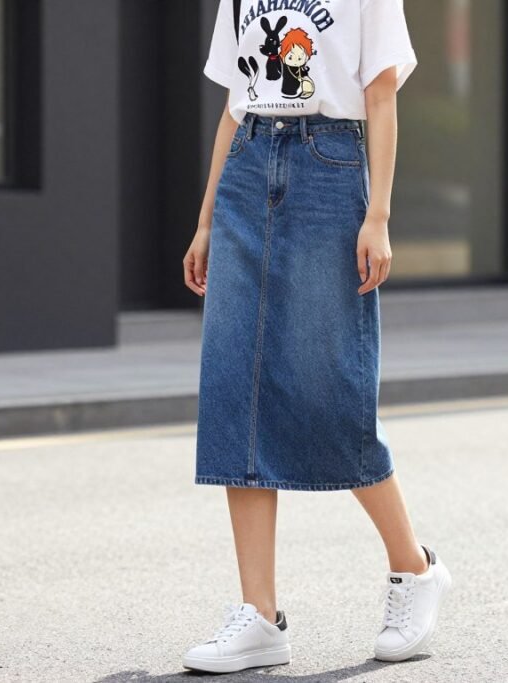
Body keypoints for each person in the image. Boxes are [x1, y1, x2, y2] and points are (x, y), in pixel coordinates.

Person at [181, 0, 451, 673]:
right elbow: (234, 104)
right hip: (247, 168)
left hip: (329, 168)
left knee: (330, 389)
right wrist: (208, 218)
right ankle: (258, 614)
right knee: (234, 388)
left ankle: (413, 567)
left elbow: (381, 95)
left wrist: (379, 214)